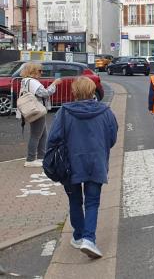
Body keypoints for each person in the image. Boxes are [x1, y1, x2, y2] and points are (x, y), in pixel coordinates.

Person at [47, 77, 117, 259]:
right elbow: (112, 137)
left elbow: (53, 139)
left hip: (70, 164)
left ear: (74, 92)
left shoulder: (64, 112)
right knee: (92, 202)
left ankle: (78, 236)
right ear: (93, 91)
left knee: (75, 200)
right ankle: (89, 239)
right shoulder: (106, 112)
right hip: (96, 162)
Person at [18, 62, 61, 167]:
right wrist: (54, 84)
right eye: (40, 71)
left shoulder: (25, 81)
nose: (42, 73)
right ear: (33, 71)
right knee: (36, 135)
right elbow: (44, 93)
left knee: (42, 134)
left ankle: (41, 156)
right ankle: (30, 159)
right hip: (36, 110)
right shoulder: (33, 82)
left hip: (33, 110)